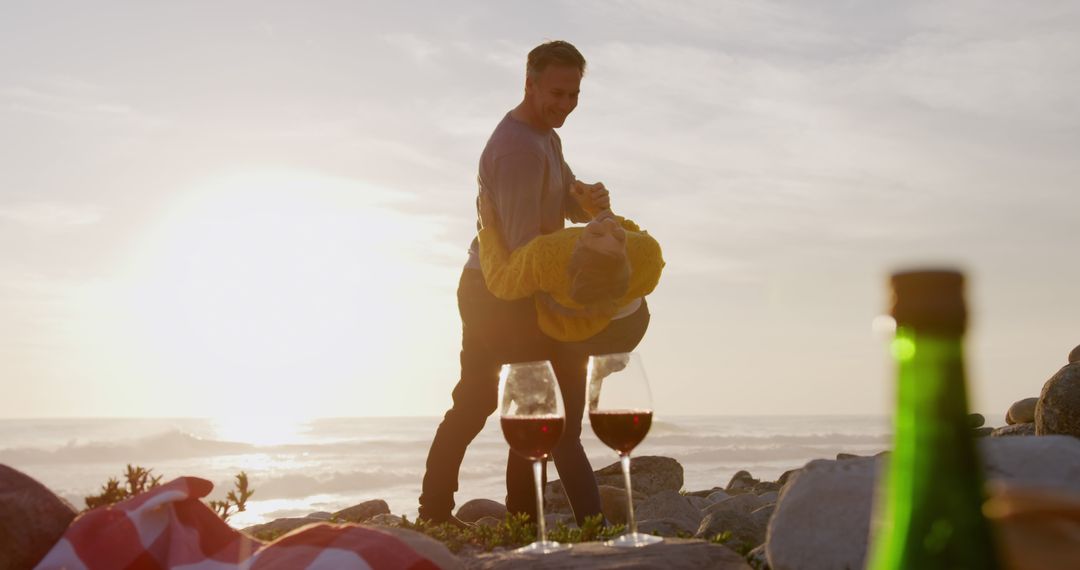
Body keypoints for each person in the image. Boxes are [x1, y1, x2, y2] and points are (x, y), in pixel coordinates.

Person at [418, 40, 611, 528]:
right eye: (556, 93)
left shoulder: (545, 135)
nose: (565, 105)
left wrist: (584, 198)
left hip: (517, 285)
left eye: (573, 94)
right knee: (494, 400)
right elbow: (527, 249)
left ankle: (517, 520)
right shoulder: (517, 151)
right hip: (495, 292)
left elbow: (560, 199)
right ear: (529, 84)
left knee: (523, 404)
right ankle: (442, 514)